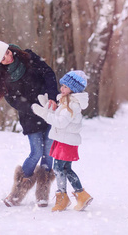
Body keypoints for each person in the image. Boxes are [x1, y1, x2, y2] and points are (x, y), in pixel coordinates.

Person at [0, 39, 59, 208]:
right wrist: (32, 107)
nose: (8, 57)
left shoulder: (28, 57)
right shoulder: (3, 78)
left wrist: (52, 96)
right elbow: (13, 100)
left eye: (8, 52)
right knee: (36, 152)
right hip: (30, 116)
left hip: (49, 108)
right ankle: (16, 193)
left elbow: (48, 73)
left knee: (49, 151)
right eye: (3, 58)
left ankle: (42, 194)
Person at [31, 70, 93, 212]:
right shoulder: (67, 102)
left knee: (59, 169)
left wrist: (44, 114)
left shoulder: (72, 105)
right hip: (64, 140)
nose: (61, 89)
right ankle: (79, 195)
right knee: (65, 169)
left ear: (73, 89)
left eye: (65, 86)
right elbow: (60, 119)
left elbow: (60, 123)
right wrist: (49, 108)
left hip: (66, 141)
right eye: (62, 85)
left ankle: (64, 197)